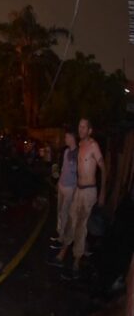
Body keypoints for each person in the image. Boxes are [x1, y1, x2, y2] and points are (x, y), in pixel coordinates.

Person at [54, 118, 106, 280]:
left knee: (81, 226)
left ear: (90, 130)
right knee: (71, 219)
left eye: (84, 127)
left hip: (89, 191)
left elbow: (103, 168)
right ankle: (64, 250)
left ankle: (76, 260)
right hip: (78, 189)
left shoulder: (93, 146)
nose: (81, 129)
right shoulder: (81, 146)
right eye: (80, 127)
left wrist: (103, 191)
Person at [51, 130, 78, 250]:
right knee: (59, 211)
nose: (65, 139)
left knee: (65, 212)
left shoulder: (78, 153)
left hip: (70, 187)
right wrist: (58, 182)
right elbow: (63, 168)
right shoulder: (66, 151)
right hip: (62, 185)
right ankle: (59, 234)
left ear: (72, 138)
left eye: (67, 137)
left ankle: (62, 239)